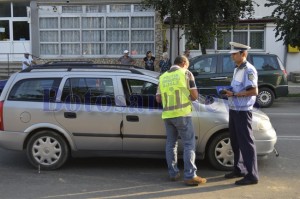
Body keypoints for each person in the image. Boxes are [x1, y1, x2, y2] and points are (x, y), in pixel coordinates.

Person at [156, 55, 207, 186]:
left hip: (168, 115)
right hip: (183, 114)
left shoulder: (162, 77)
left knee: (171, 144)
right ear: (184, 63)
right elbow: (195, 96)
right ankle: (190, 176)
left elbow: (158, 99)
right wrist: (187, 95)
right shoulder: (186, 73)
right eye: (188, 64)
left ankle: (173, 173)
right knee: (189, 144)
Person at [222, 42, 259, 186]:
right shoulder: (237, 69)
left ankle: (252, 175)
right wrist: (228, 91)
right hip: (234, 110)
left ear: (243, 54)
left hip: (243, 112)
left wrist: (235, 94)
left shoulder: (249, 70)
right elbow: (237, 87)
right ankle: (239, 169)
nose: (232, 55)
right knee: (235, 141)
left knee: (246, 143)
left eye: (234, 53)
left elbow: (253, 91)